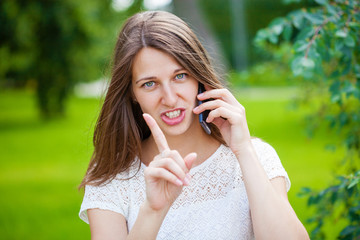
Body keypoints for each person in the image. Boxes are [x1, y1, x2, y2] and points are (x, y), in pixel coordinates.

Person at [79, 10, 309, 240]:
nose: (169, 98)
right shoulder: (112, 176)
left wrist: (244, 150)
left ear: (198, 76)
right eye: (150, 83)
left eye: (180, 76)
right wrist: (153, 211)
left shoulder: (257, 156)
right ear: (132, 93)